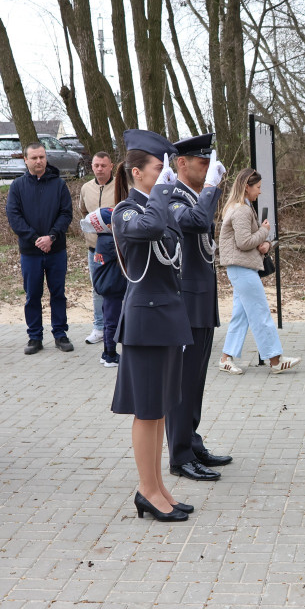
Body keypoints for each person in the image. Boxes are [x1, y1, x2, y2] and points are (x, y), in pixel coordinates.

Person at [110, 129, 195, 523]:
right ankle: (146, 490)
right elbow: (152, 228)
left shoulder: (159, 203)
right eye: (160, 169)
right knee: (146, 411)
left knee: (160, 410)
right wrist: (162, 193)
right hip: (145, 323)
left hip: (166, 318)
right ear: (138, 173)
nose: (167, 177)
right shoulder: (127, 210)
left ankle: (158, 486)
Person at [165, 134, 231, 482]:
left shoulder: (195, 196)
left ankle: (192, 441)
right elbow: (195, 222)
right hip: (184, 304)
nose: (208, 170)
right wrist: (213, 188)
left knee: (196, 381)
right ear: (181, 164)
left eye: (210, 164)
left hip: (201, 300)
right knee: (182, 382)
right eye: (202, 163)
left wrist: (208, 189)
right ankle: (179, 455)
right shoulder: (174, 196)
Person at [218, 169, 300, 375]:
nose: (259, 192)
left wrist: (264, 243)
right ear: (247, 187)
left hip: (239, 268)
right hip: (242, 269)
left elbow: (246, 241)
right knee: (260, 312)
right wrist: (264, 231)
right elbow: (244, 242)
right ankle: (275, 360)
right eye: (257, 187)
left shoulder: (238, 207)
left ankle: (226, 359)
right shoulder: (242, 210)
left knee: (241, 315)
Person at [6, 142, 74, 355]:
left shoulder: (59, 185)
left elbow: (66, 214)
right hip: (31, 253)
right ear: (25, 160)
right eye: (34, 158)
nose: (38, 161)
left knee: (58, 294)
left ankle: (60, 334)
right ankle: (35, 337)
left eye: (42, 157)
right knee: (32, 295)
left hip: (56, 250)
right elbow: (14, 217)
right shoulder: (17, 186)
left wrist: (51, 237)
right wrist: (36, 239)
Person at [78, 151, 118, 347]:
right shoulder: (86, 188)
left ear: (111, 166)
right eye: (96, 165)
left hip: (118, 249)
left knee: (120, 287)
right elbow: (83, 211)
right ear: (91, 167)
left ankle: (121, 326)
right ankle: (99, 327)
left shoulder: (121, 185)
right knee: (97, 288)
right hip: (95, 249)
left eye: (103, 165)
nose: (100, 169)